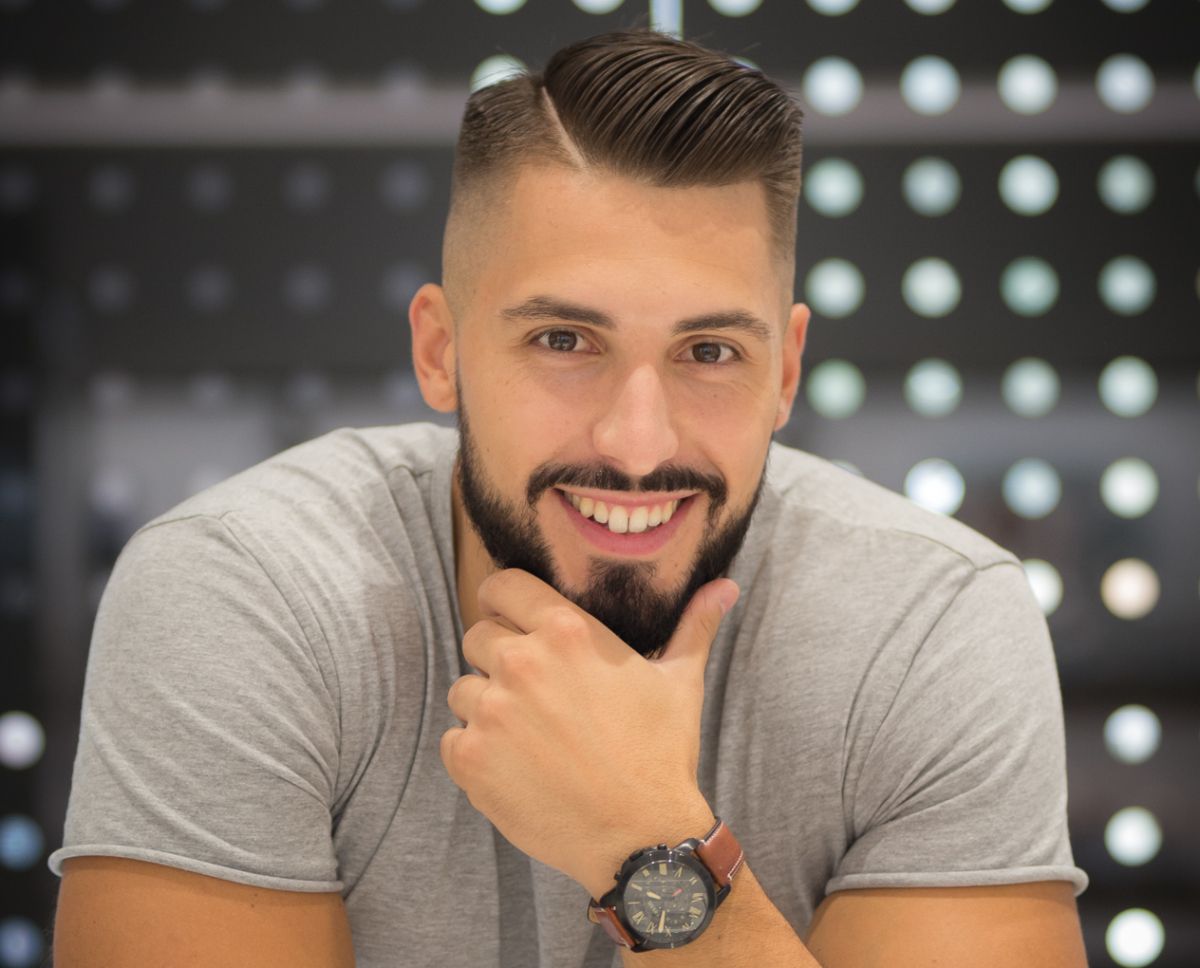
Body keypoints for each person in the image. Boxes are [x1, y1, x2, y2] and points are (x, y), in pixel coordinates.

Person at [49, 27, 1089, 968]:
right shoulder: (247, 589)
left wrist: (645, 840)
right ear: (440, 351)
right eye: (564, 340)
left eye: (709, 351)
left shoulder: (931, 624)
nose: (639, 443)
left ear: (785, 371)